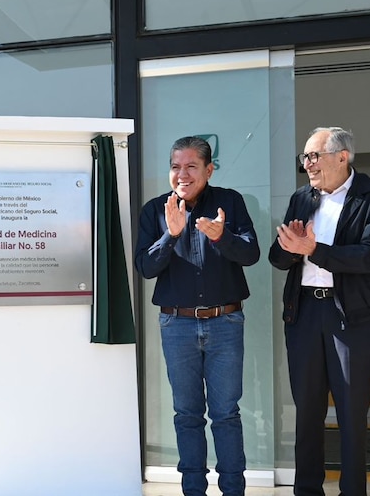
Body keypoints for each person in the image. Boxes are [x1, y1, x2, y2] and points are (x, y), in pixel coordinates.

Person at [269, 127, 370, 496]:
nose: (307, 165)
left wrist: (314, 248)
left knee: (352, 413)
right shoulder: (301, 198)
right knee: (307, 411)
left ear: (343, 156)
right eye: (304, 158)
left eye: (314, 156)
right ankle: (307, 490)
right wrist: (294, 248)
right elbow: (279, 258)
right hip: (304, 312)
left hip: (352, 317)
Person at [135, 136, 259, 496]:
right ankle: (193, 489)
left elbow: (250, 254)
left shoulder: (230, 203)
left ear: (209, 169)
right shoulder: (155, 210)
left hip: (225, 322)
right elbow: (145, 267)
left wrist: (223, 237)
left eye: (191, 166)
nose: (182, 174)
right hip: (177, 324)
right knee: (187, 415)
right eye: (175, 166)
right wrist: (170, 235)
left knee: (225, 414)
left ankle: (233, 489)